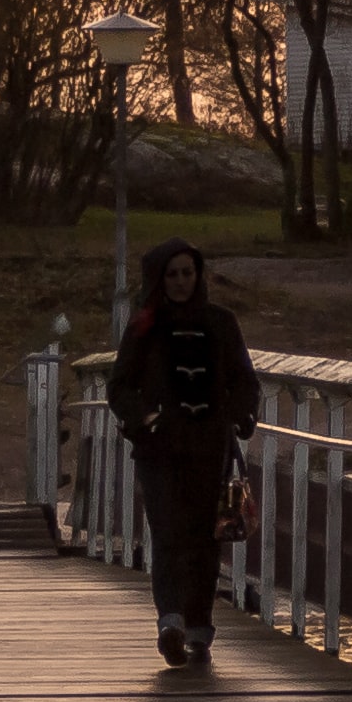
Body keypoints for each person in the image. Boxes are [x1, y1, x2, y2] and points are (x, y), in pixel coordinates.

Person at [109, 239, 256, 664]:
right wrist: (146, 418)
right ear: (159, 278)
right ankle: (170, 621)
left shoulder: (222, 323)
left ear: (198, 275)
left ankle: (199, 626)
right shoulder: (144, 327)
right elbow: (119, 385)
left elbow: (245, 380)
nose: (180, 282)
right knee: (168, 532)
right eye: (171, 274)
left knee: (204, 537)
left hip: (210, 447)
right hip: (160, 449)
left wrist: (241, 414)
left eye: (187, 273)